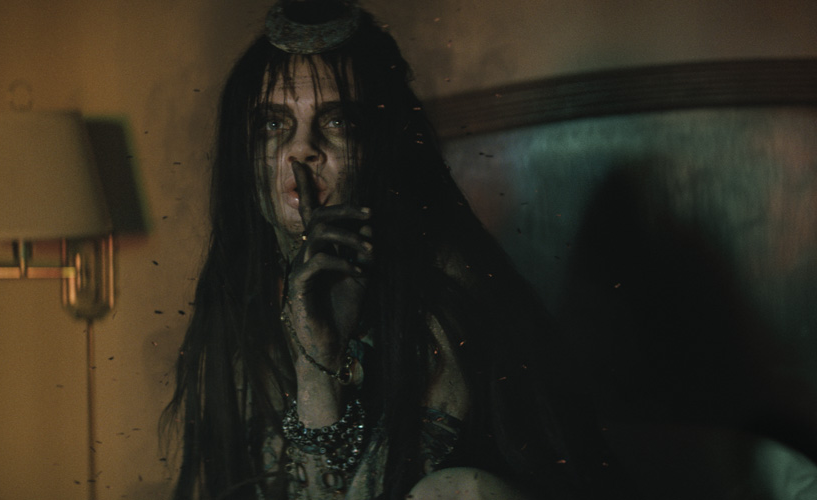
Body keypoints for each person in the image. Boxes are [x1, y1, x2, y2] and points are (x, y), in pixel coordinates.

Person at [164, 1, 616, 498]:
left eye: (337, 122)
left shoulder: (442, 296)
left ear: (379, 146)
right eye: (273, 124)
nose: (302, 148)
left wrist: (318, 366)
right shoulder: (244, 297)